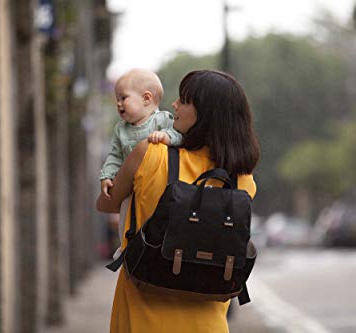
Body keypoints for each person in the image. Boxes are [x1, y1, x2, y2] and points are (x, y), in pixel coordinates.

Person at [97, 69, 260, 333]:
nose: (174, 105)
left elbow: (105, 204)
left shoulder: (150, 155)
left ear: (204, 113)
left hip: (143, 313)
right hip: (209, 323)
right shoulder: (242, 180)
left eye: (183, 100)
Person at [99, 68, 182, 256]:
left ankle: (158, 245)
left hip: (156, 185)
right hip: (131, 186)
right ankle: (125, 246)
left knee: (156, 216)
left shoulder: (162, 120)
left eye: (123, 98)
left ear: (146, 99)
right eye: (117, 99)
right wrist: (107, 176)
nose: (118, 103)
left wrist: (165, 136)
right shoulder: (121, 129)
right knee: (126, 212)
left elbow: (179, 136)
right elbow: (115, 155)